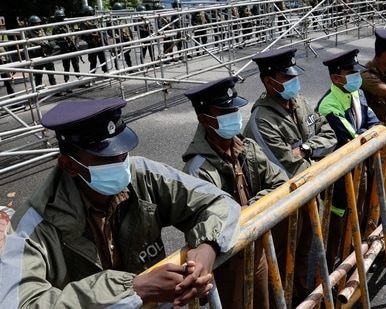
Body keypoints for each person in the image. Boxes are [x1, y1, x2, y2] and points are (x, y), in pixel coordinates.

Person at [0, 98, 241, 308]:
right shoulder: (31, 226)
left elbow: (219, 201)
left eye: (123, 153)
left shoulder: (143, 174)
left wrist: (207, 247)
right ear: (69, 166)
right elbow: (16, 303)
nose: (120, 163)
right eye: (104, 158)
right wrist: (132, 290)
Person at [182, 76, 289, 309]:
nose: (234, 116)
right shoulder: (197, 170)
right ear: (203, 119)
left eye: (235, 109)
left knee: (263, 302)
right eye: (224, 112)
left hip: (256, 246)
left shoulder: (245, 147)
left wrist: (250, 207)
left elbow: (280, 180)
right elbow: (204, 222)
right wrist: (240, 212)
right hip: (225, 262)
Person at [242, 47, 337, 306]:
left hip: (309, 193)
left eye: (294, 75)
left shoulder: (301, 102)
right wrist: (317, 158)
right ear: (269, 81)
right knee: (283, 259)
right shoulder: (262, 120)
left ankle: (300, 297)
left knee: (305, 252)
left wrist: (307, 148)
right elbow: (288, 167)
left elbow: (330, 136)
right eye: (287, 78)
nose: (294, 82)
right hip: (281, 205)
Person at [316, 49, 379, 272]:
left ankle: (354, 258)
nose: (356, 77)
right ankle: (331, 274)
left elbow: (375, 123)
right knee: (336, 228)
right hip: (339, 180)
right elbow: (352, 139)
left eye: (356, 72)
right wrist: (368, 134)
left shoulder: (356, 93)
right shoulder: (328, 105)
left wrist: (368, 133)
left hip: (358, 170)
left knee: (359, 215)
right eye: (350, 73)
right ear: (336, 78)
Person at [52, 8, 81, 92]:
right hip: (64, 49)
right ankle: (67, 82)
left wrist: (75, 42)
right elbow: (55, 40)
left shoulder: (68, 25)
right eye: (59, 18)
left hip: (72, 48)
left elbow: (75, 35)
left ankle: (80, 79)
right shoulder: (56, 28)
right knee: (66, 67)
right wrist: (64, 41)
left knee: (76, 65)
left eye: (62, 17)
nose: (61, 19)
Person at [25, 15, 58, 88]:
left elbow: (50, 39)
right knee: (38, 75)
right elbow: (27, 44)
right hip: (37, 55)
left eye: (38, 23)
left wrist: (49, 44)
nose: (37, 25)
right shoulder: (28, 32)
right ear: (31, 24)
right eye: (35, 24)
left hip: (47, 54)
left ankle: (54, 88)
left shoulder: (42, 30)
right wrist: (37, 43)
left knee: (51, 73)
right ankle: (39, 90)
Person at [80, 6, 110, 75]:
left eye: (92, 11)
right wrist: (92, 34)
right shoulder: (83, 22)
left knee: (103, 58)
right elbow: (83, 33)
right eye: (89, 12)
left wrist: (105, 40)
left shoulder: (96, 19)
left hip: (99, 42)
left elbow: (102, 29)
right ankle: (92, 74)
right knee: (93, 60)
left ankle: (105, 71)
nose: (91, 13)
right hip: (92, 43)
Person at [111, 2, 134, 70]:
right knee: (117, 55)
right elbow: (109, 30)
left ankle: (130, 67)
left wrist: (131, 37)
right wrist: (114, 34)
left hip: (125, 38)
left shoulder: (123, 18)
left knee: (127, 54)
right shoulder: (111, 19)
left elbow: (127, 28)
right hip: (117, 40)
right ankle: (117, 70)